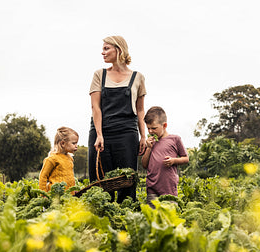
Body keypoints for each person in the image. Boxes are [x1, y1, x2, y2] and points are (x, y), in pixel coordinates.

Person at [88, 36, 147, 202]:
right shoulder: (99, 75)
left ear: (119, 50)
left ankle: (125, 221)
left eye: (107, 48)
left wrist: (143, 136)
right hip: (102, 132)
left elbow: (140, 110)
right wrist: (99, 134)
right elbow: (95, 107)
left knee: (126, 181)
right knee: (99, 182)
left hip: (127, 134)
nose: (102, 52)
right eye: (103, 48)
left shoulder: (138, 77)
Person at [141, 106, 189, 207]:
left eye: (154, 128)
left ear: (164, 125)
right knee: (153, 219)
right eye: (148, 128)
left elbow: (186, 158)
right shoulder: (150, 142)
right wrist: (148, 148)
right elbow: (144, 164)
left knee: (169, 217)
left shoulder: (175, 139)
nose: (150, 131)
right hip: (152, 189)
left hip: (168, 189)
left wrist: (173, 161)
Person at [39, 127, 79, 193]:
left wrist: (72, 190)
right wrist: (43, 194)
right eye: (74, 143)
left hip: (68, 195)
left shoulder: (70, 158)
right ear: (62, 143)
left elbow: (69, 177)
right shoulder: (52, 159)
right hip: (55, 195)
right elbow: (43, 177)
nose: (76, 146)